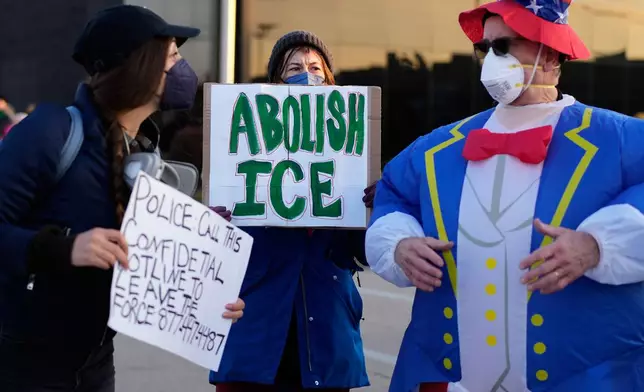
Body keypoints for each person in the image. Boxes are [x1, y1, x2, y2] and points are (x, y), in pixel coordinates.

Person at [366, 1, 644, 391]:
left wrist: (598, 244)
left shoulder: (619, 139)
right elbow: (392, 195)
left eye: (504, 46)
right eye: (485, 48)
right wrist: (398, 244)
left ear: (549, 54)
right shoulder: (437, 148)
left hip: (585, 376)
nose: (491, 60)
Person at [0, 5, 244, 392]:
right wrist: (63, 248)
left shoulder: (144, 150)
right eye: (174, 57)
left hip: (95, 366)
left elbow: (151, 265)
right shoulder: (50, 132)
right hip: (24, 366)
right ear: (140, 67)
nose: (184, 68)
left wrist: (209, 297)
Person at [210, 31, 373, 392]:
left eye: (316, 68)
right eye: (294, 68)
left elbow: (363, 254)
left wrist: (373, 215)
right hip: (257, 332)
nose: (307, 75)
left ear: (330, 81)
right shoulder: (239, 158)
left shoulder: (351, 157)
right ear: (273, 84)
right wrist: (214, 225)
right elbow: (217, 255)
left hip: (327, 331)